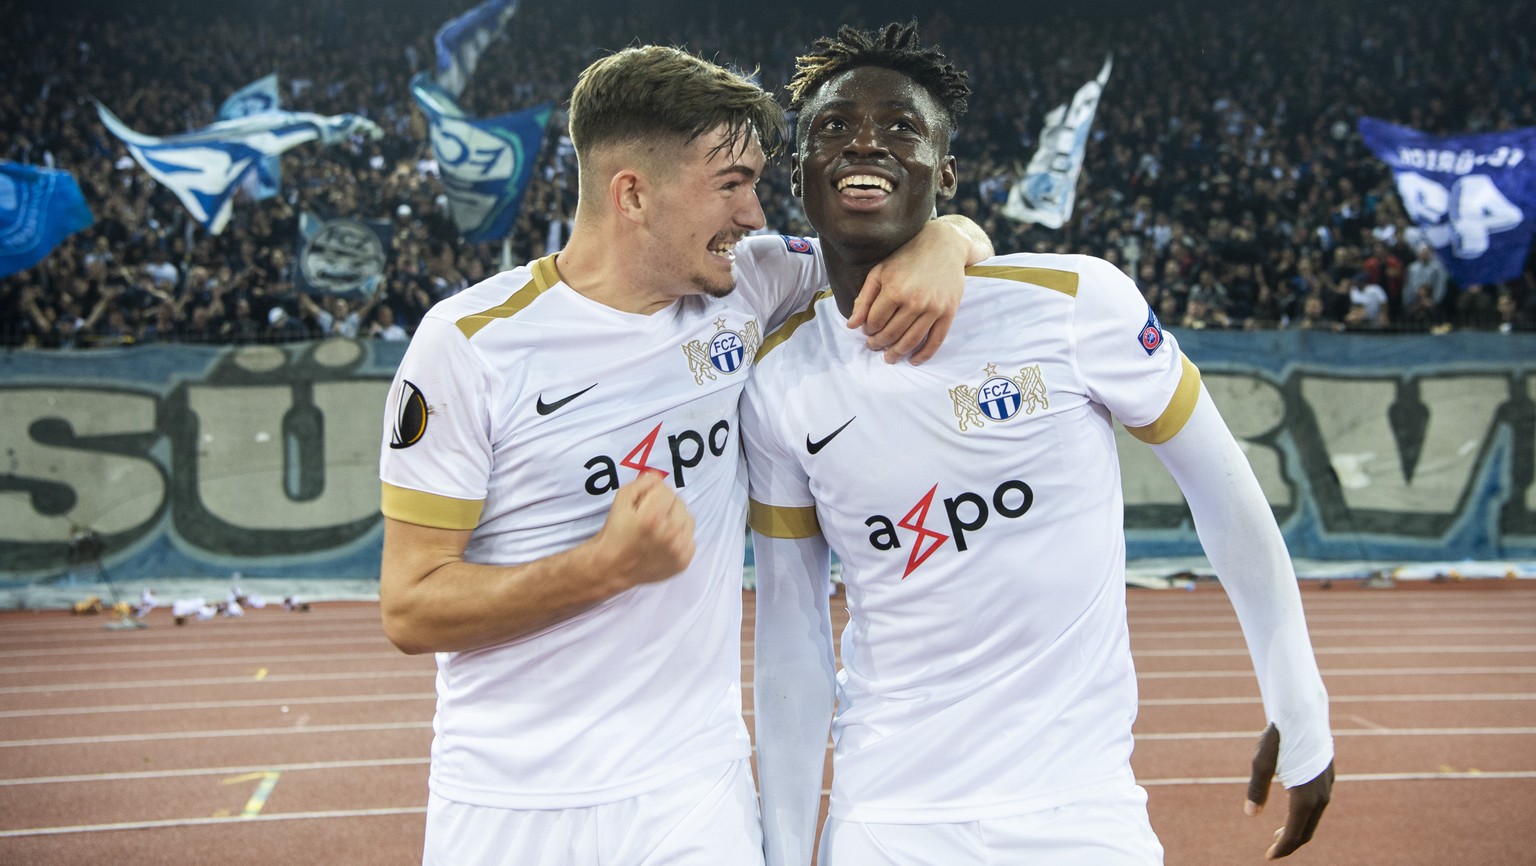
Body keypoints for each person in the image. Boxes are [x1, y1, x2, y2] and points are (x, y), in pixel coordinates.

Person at [376, 44, 991, 866]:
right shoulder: (469, 346)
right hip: (508, 803)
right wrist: (603, 566)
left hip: (691, 796)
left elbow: (898, 241)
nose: (755, 216)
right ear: (632, 194)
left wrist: (950, 237)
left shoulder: (751, 284)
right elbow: (411, 607)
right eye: (731, 184)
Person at [742, 22, 1334, 866]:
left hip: (1079, 815)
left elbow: (1225, 494)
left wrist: (1296, 696)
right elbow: (793, 629)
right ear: (798, 170)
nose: (864, 141)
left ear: (945, 174)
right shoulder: (778, 379)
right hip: (888, 818)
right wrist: (781, 848)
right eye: (832, 127)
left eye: (901, 126)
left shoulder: (1073, 302)